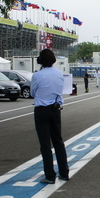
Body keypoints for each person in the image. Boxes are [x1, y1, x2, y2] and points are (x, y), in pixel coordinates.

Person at [31, 48, 70, 184]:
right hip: (55, 109)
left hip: (42, 110)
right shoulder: (59, 74)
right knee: (58, 141)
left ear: (40, 61)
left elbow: (32, 92)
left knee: (45, 144)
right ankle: (64, 172)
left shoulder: (37, 75)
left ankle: (49, 175)